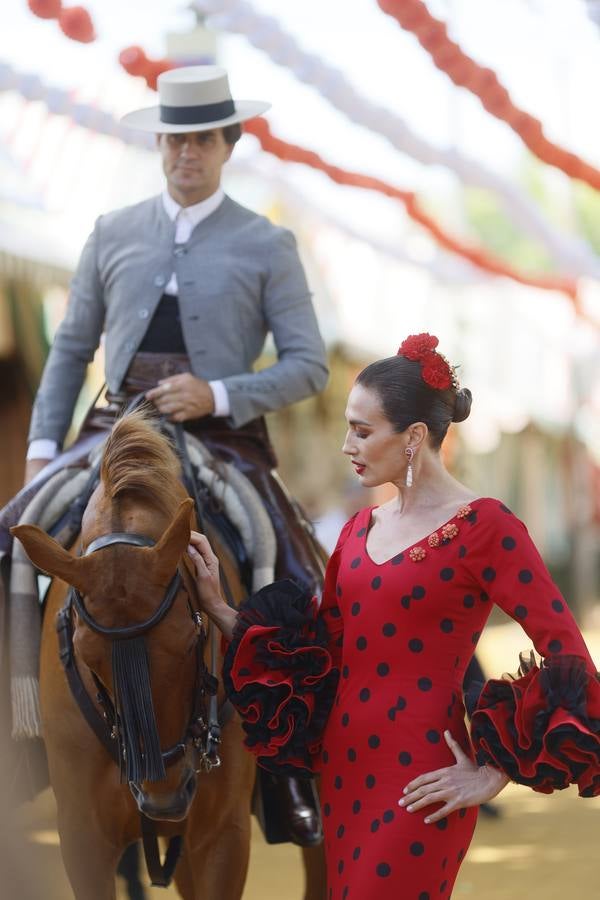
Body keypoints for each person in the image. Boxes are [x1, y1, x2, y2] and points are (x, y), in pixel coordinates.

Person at [21, 65, 328, 845]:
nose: (186, 152)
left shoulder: (269, 242)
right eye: (175, 138)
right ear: (160, 143)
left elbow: (309, 364)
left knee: (283, 559)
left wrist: (219, 394)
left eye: (202, 139)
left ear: (229, 143)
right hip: (113, 430)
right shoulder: (111, 230)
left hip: (222, 435)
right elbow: (68, 350)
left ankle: (287, 768)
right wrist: (40, 450)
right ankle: (23, 730)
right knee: (11, 534)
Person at [187, 333, 600, 899]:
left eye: (361, 430)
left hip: (424, 783)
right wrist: (217, 607)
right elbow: (318, 658)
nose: (346, 445)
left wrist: (491, 772)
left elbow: (568, 651)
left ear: (413, 438)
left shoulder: (487, 527)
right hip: (343, 773)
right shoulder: (358, 531)